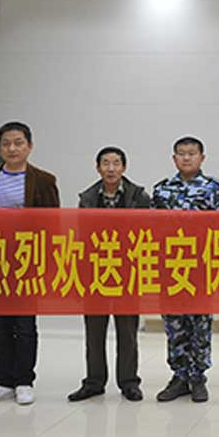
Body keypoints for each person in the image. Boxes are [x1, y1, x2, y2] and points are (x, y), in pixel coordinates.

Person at [0, 121, 60, 406]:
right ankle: (2, 382)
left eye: (18, 142)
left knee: (24, 325)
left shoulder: (43, 180)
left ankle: (24, 381)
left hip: (27, 261)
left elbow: (52, 223)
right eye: (6, 143)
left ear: (29, 146)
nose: (12, 148)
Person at [68, 146, 150, 403]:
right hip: (96, 273)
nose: (111, 168)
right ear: (98, 168)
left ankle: (129, 382)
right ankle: (94, 382)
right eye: (106, 163)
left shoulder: (139, 197)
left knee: (128, 332)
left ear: (124, 167)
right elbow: (81, 238)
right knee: (94, 332)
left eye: (116, 163)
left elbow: (148, 234)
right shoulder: (88, 198)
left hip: (127, 273)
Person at [152, 136, 219, 403]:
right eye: (181, 154)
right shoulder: (162, 190)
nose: (186, 158)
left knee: (200, 324)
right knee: (174, 324)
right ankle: (179, 376)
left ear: (202, 158)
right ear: (174, 158)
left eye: (192, 153)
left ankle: (198, 377)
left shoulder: (214, 189)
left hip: (201, 268)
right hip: (171, 268)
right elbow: (152, 229)